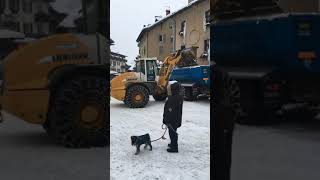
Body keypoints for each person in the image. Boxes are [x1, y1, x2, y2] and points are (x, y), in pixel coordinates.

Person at [163, 81, 183, 153]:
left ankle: (174, 148)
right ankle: (172, 144)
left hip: (173, 120)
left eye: (169, 89)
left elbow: (170, 111)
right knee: (172, 133)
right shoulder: (175, 96)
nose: (168, 90)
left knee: (173, 133)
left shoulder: (174, 98)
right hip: (174, 119)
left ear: (173, 90)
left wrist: (166, 120)